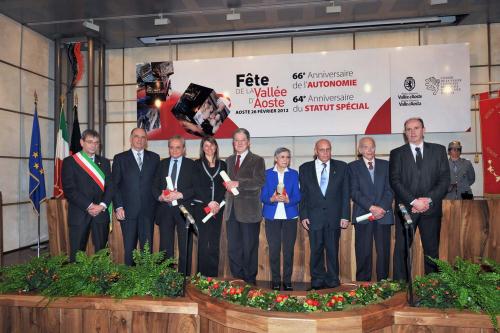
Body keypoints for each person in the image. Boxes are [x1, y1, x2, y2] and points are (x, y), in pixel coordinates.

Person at [389, 117, 450, 280]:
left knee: (431, 251)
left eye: (416, 128)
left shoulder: (439, 150)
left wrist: (427, 200)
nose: (412, 132)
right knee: (401, 249)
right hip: (406, 211)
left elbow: (445, 180)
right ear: (405, 133)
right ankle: (400, 288)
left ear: (424, 130)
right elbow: (395, 181)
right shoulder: (396, 153)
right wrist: (414, 202)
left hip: (431, 209)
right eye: (408, 129)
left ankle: (432, 287)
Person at [299, 139, 350, 290]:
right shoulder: (305, 168)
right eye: (322, 150)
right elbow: (303, 195)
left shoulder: (341, 167)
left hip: (334, 217)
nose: (325, 152)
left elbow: (345, 193)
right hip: (313, 217)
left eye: (328, 149)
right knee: (316, 250)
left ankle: (333, 279)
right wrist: (303, 215)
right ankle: (317, 279)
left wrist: (345, 215)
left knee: (333, 249)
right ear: (315, 151)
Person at [62, 129, 113, 262]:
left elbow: (110, 187)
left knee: (102, 253)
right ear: (81, 142)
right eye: (90, 142)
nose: (93, 145)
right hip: (79, 213)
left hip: (101, 214)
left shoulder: (105, 163)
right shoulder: (70, 162)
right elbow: (69, 190)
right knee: (77, 254)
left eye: (96, 143)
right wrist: (89, 206)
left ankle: (101, 281)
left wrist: (102, 206)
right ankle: (76, 282)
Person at [112, 128, 160, 265]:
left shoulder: (155, 158)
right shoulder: (119, 158)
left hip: (148, 211)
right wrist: (118, 206)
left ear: (146, 140)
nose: (140, 140)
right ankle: (129, 281)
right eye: (136, 137)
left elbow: (157, 183)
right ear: (131, 139)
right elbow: (115, 186)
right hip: (127, 212)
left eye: (143, 137)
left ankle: (147, 281)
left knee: (147, 250)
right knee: (129, 250)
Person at [223, 128, 266, 285]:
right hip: (231, 211)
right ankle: (238, 281)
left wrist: (238, 183)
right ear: (233, 143)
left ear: (248, 142)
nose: (239, 143)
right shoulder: (228, 160)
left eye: (243, 140)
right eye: (236, 140)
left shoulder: (257, 160)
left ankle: (249, 282)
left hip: (249, 212)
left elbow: (259, 182)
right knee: (233, 249)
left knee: (249, 249)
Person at [348, 137, 394, 281]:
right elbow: (354, 191)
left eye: (372, 147)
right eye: (366, 147)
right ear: (360, 150)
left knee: (383, 252)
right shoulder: (352, 167)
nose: (369, 150)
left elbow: (390, 189)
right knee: (363, 252)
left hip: (383, 215)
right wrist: (371, 207)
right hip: (363, 215)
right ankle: (362, 284)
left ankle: (383, 282)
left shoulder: (386, 165)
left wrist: (382, 208)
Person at [152, 135, 196, 274]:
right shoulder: (162, 164)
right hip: (165, 210)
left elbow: (196, 187)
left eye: (178, 147)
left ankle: (185, 279)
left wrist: (180, 194)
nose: (175, 150)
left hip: (184, 209)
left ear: (183, 149)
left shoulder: (192, 164)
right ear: (168, 149)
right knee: (165, 247)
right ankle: (166, 277)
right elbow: (154, 186)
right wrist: (160, 197)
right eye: (172, 147)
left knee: (185, 246)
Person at [261, 147, 300, 291]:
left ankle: (287, 281)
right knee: (274, 249)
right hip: (272, 216)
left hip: (290, 216)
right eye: (282, 157)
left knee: (288, 250)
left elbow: (298, 196)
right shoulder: (266, 174)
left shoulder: (294, 174)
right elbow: (263, 196)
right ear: (276, 158)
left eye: (288, 157)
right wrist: (271, 198)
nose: (286, 160)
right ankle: (276, 280)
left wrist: (289, 200)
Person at [193, 137, 227, 277]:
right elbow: (196, 186)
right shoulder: (196, 164)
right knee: (203, 243)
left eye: (212, 145)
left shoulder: (223, 164)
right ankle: (201, 276)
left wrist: (217, 203)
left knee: (214, 243)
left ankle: (212, 277)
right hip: (202, 208)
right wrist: (209, 202)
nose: (209, 148)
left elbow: (224, 185)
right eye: (206, 145)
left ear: (216, 147)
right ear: (202, 148)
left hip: (217, 209)